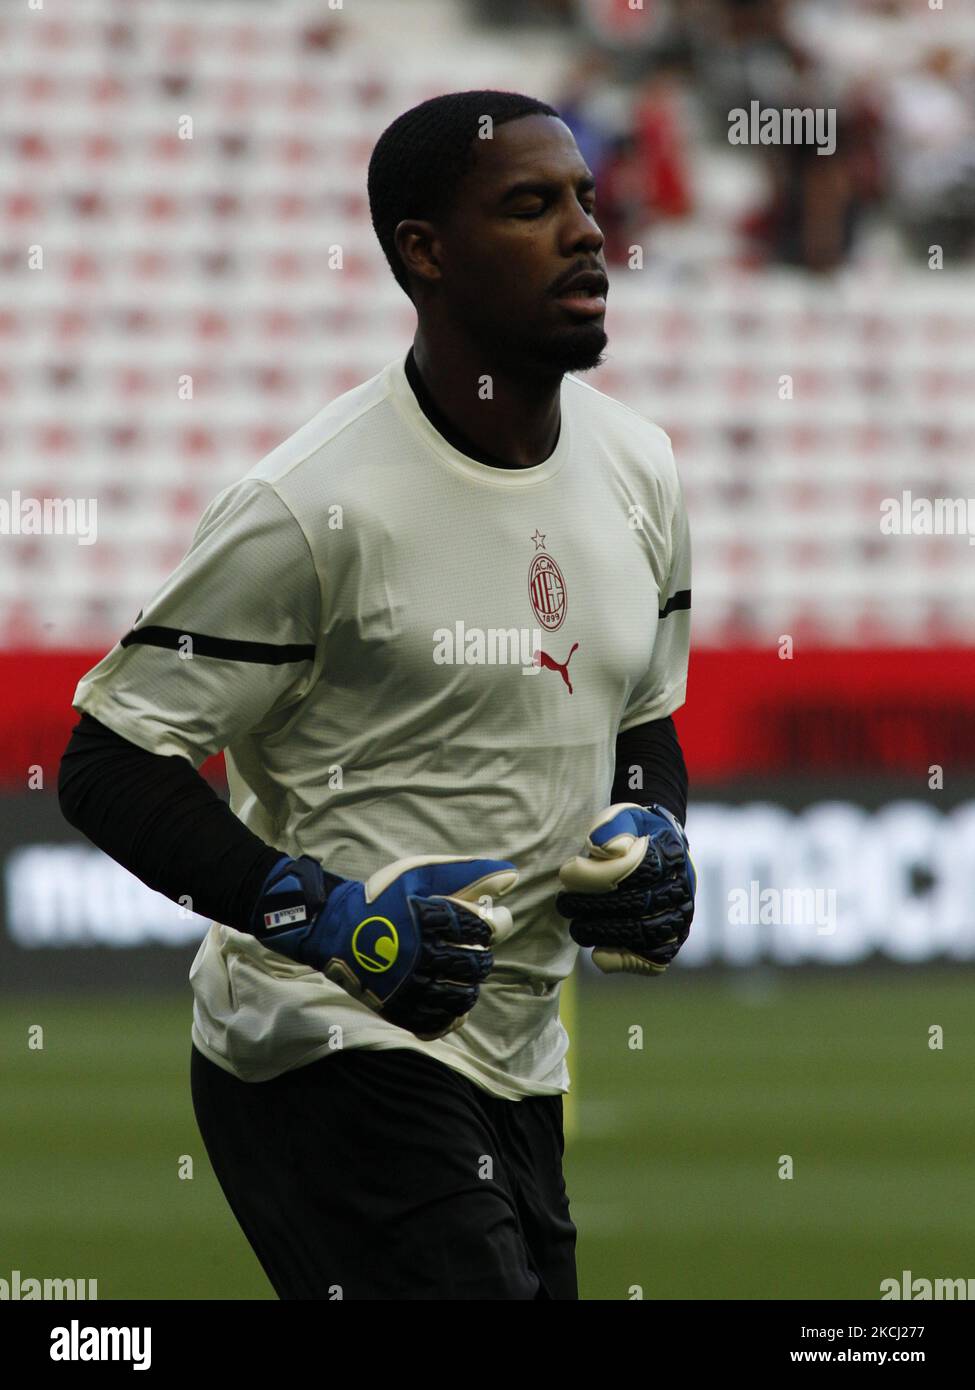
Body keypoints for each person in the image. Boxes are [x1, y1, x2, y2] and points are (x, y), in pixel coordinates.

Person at [58, 89, 695, 1301]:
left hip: (518, 1055)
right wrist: (321, 915)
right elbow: (106, 759)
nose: (585, 232)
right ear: (425, 252)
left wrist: (652, 828)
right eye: (530, 206)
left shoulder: (642, 469)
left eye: (584, 201)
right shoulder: (309, 506)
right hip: (323, 1049)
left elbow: (641, 723)